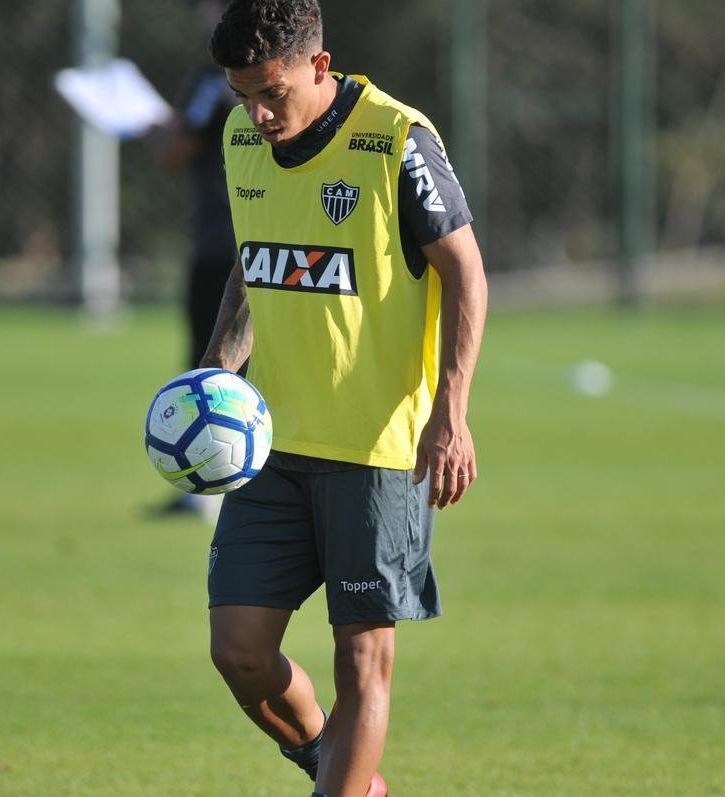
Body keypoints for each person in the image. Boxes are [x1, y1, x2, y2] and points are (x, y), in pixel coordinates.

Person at [199, 1, 488, 794]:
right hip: (273, 445)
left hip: (377, 450)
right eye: (239, 96)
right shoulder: (239, 139)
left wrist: (450, 411)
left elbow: (466, 270)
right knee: (239, 649)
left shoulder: (396, 139)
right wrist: (217, 373)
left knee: (362, 658)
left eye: (271, 93)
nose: (256, 115)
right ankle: (341, 767)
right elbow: (256, 258)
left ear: (318, 69)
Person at [151, 0, 240, 520]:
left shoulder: (214, 81)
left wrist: (148, 126)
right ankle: (213, 481)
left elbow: (173, 151)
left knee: (212, 361)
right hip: (240, 239)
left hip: (223, 245)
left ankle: (209, 484)